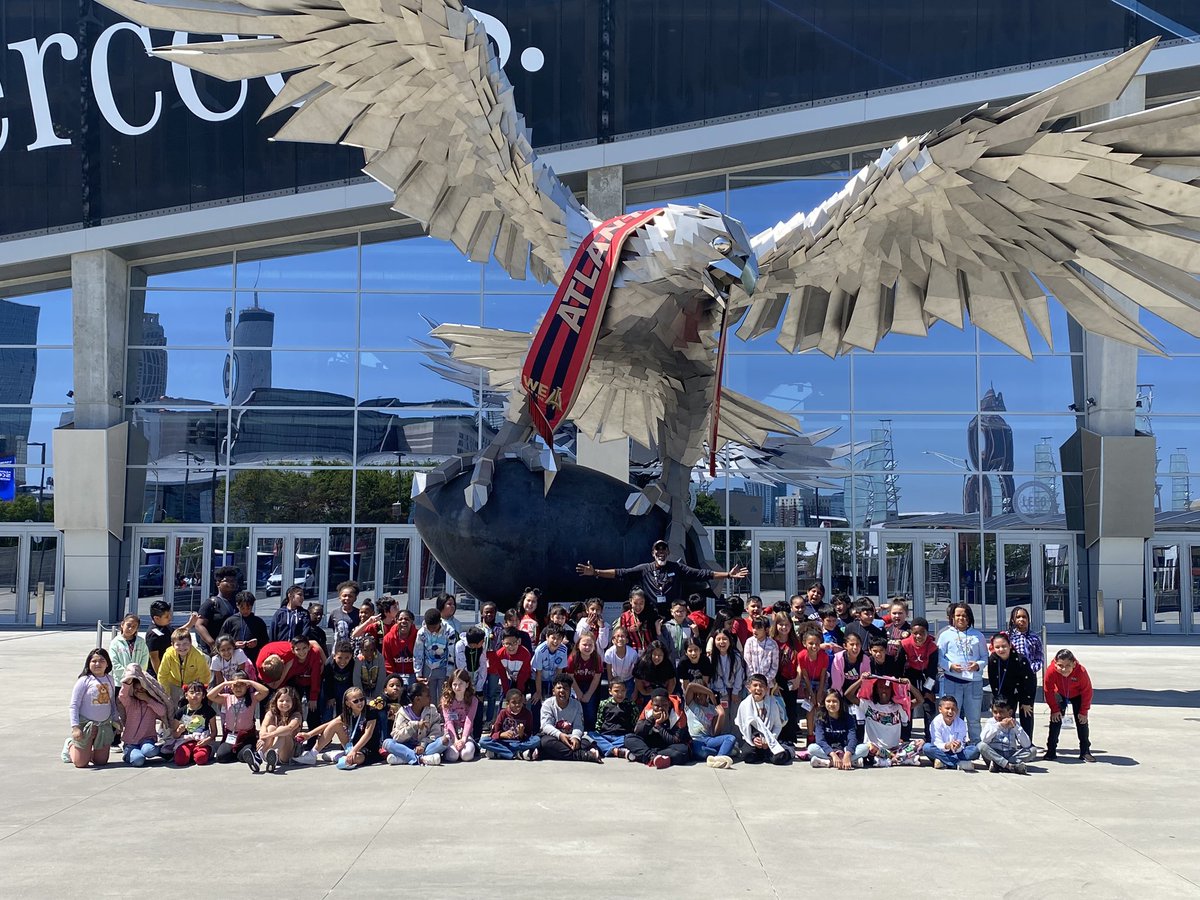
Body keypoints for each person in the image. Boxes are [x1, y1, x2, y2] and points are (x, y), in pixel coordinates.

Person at [576, 539, 748, 616]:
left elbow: (701, 573)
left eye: (663, 550)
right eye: (658, 550)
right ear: (653, 553)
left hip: (673, 614)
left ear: (668, 552)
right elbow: (621, 572)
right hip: (651, 614)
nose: (661, 553)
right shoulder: (645, 569)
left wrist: (728, 575)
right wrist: (596, 572)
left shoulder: (676, 567)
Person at [937, 602, 988, 742]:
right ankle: (953, 745)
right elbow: (938, 657)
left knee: (974, 719)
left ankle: (977, 747)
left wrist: (977, 665)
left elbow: (985, 657)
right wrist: (950, 666)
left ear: (969, 618)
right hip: (952, 681)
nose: (961, 618)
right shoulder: (945, 635)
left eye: (964, 615)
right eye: (958, 615)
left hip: (974, 683)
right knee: (952, 717)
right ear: (952, 617)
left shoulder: (978, 636)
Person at [296, 687, 379, 769]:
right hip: (351, 745)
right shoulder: (347, 714)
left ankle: (341, 756)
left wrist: (354, 750)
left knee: (355, 759)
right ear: (348, 703)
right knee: (335, 723)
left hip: (366, 748)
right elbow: (328, 724)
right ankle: (312, 754)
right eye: (355, 701)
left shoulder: (370, 711)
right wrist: (309, 734)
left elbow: (368, 734)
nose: (360, 703)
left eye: (362, 699)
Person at [855, 676, 922, 767]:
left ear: (892, 690)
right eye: (880, 687)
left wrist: (909, 684)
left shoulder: (899, 707)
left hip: (894, 749)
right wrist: (861, 680)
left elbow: (920, 700)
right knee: (868, 748)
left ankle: (889, 760)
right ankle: (900, 759)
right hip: (876, 749)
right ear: (876, 690)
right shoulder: (868, 705)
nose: (884, 690)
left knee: (919, 743)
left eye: (887, 688)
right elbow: (849, 695)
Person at [69, 648, 119, 769]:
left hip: (104, 726)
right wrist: (75, 727)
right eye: (94, 661)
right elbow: (74, 705)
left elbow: (112, 702)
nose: (97, 664)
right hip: (86, 726)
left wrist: (116, 719)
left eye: (101, 660)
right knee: (80, 763)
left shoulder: (110, 679)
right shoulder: (84, 681)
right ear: (88, 664)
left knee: (101, 762)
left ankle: (88, 753)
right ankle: (70, 746)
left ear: (107, 663)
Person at [257, 634, 325, 724]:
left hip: (299, 677)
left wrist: (325, 662)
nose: (301, 652)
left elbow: (313, 643)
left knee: (298, 703)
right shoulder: (260, 665)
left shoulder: (292, 654)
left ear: (283, 663)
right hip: (290, 677)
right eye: (298, 650)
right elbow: (274, 686)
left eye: (304, 649)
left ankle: (295, 727)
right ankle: (267, 726)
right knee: (270, 701)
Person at [1044, 649, 1095, 762]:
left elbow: (1087, 692)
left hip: (1078, 695)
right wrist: (1054, 708)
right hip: (1060, 693)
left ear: (1074, 664)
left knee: (1082, 721)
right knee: (1055, 720)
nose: (1063, 669)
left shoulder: (1081, 671)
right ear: (1055, 663)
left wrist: (1084, 711)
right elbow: (1048, 690)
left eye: (1068, 665)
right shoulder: (1051, 670)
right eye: (1060, 665)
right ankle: (1051, 751)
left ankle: (1085, 751)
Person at [538, 674, 602, 762]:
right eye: (559, 688)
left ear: (570, 691)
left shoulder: (577, 705)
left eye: (565, 688)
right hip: (555, 737)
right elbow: (545, 726)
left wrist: (575, 737)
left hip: (571, 737)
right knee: (545, 742)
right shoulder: (547, 704)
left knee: (586, 742)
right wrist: (560, 735)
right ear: (553, 691)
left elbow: (579, 726)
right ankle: (581, 755)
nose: (562, 691)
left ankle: (552, 753)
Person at [987, 631, 1037, 741]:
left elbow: (1029, 681)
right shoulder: (993, 660)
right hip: (1004, 691)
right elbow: (993, 680)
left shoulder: (1020, 659)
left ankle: (1027, 743)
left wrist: (1026, 701)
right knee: (1005, 715)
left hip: (1023, 690)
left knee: (1026, 713)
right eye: (998, 647)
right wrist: (997, 698)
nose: (1001, 649)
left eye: (1004, 646)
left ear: (1010, 645)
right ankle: (1007, 742)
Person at [382, 682, 446, 766]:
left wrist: (422, 745)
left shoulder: (431, 709)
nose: (430, 697)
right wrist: (414, 726)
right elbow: (397, 737)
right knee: (387, 743)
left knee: (445, 740)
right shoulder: (402, 712)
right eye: (427, 696)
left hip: (426, 746)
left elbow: (436, 731)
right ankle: (421, 759)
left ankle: (404, 758)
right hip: (406, 746)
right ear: (417, 699)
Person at [625, 688, 691, 769]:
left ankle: (642, 755)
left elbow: (675, 740)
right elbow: (638, 732)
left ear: (669, 703)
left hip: (670, 746)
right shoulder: (648, 710)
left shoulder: (679, 714)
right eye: (657, 706)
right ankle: (653, 757)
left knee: (682, 752)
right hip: (653, 743)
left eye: (664, 705)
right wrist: (652, 718)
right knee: (629, 738)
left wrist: (658, 726)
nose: (660, 709)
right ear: (652, 704)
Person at [208, 675, 268, 764]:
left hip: (246, 736)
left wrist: (250, 682)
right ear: (231, 686)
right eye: (235, 685)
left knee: (243, 756)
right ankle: (235, 752)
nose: (238, 688)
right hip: (231, 735)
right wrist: (224, 684)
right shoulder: (227, 698)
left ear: (247, 686)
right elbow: (210, 695)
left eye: (241, 685)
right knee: (221, 757)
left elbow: (265, 691)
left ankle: (244, 754)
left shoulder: (252, 697)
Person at [117, 663, 168, 767]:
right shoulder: (130, 702)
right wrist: (128, 681)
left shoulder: (151, 702)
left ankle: (162, 750)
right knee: (138, 760)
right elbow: (122, 696)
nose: (139, 691)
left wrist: (148, 699)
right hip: (131, 742)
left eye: (142, 689)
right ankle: (128, 755)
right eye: (136, 689)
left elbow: (162, 711)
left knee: (149, 751)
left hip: (147, 739)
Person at [734, 673, 790, 765]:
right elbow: (742, 726)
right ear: (749, 688)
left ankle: (787, 750)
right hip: (755, 740)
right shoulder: (744, 705)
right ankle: (762, 755)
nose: (758, 689)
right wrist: (752, 738)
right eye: (755, 685)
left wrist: (769, 740)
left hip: (770, 738)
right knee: (747, 756)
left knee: (779, 758)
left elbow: (777, 725)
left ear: (767, 689)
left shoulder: (773, 703)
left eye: (761, 686)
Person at [900, 617, 939, 741]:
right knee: (908, 706)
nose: (918, 636)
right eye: (915, 633)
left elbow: (933, 671)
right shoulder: (905, 644)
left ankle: (931, 739)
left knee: (929, 706)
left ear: (927, 633)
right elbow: (899, 665)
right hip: (910, 675)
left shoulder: (932, 647)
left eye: (922, 633)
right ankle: (905, 738)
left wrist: (927, 690)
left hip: (926, 676)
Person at [807, 690, 865, 769]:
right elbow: (820, 740)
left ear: (840, 703)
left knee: (865, 748)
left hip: (845, 749)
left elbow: (852, 738)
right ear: (824, 703)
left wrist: (847, 754)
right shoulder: (820, 719)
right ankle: (851, 762)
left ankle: (828, 762)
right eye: (828, 701)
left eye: (834, 701)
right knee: (812, 748)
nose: (831, 704)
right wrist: (833, 754)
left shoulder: (848, 718)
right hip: (828, 750)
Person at [249, 685, 302, 772]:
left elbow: (290, 728)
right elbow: (264, 726)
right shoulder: (271, 713)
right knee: (270, 727)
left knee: (282, 730)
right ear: (276, 702)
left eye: (288, 701)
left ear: (293, 702)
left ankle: (274, 754)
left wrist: (270, 734)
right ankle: (259, 757)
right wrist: (262, 738)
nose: (284, 703)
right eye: (281, 701)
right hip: (269, 749)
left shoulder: (296, 715)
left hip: (287, 753)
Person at [921, 695, 980, 771]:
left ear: (957, 710)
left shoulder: (961, 723)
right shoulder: (935, 723)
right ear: (940, 709)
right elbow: (936, 743)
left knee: (974, 751)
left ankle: (944, 762)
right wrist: (947, 745)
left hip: (956, 752)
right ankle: (958, 764)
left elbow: (962, 742)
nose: (950, 712)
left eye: (953, 709)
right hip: (941, 751)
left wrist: (958, 746)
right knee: (927, 748)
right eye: (947, 709)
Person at [979, 696, 1036, 774]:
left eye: (1001, 712)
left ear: (1010, 713)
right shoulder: (990, 722)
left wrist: (1015, 728)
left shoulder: (1015, 723)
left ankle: (1000, 765)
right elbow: (984, 740)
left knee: (1033, 750)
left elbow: (1027, 744)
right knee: (981, 746)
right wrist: (999, 725)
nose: (998, 715)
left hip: (1011, 754)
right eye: (995, 712)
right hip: (995, 753)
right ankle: (1009, 766)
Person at [684, 683, 735, 768]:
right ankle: (724, 753)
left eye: (701, 694)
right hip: (695, 740)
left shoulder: (712, 708)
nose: (698, 697)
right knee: (703, 751)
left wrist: (721, 715)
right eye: (696, 694)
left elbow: (715, 733)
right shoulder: (690, 704)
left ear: (706, 695)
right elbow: (690, 686)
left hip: (708, 739)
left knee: (731, 738)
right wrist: (710, 693)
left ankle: (718, 759)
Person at [157, 626, 211, 706]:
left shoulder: (198, 656)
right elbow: (162, 675)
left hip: (191, 685)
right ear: (172, 644)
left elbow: (205, 675)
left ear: (191, 642)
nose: (182, 647)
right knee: (173, 709)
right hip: (174, 684)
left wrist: (199, 691)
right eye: (178, 644)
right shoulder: (168, 655)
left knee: (192, 709)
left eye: (185, 644)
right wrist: (166, 693)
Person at [480, 689, 540, 760]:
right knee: (483, 741)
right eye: (514, 703)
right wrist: (502, 734)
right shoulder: (503, 713)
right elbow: (493, 734)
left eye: (519, 702)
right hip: (504, 742)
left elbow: (529, 734)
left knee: (537, 740)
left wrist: (521, 734)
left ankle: (501, 753)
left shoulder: (527, 713)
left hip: (519, 743)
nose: (517, 705)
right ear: (507, 703)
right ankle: (515, 754)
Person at [771, 612, 802, 745]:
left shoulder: (795, 642)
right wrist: (773, 682)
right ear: (776, 625)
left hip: (791, 679)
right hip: (776, 679)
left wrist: (798, 679)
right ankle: (777, 736)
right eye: (781, 624)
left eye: (787, 625)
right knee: (776, 709)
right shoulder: (772, 641)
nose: (784, 627)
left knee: (790, 709)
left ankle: (789, 738)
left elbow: (801, 662)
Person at [172, 680, 218, 766]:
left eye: (198, 693)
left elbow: (214, 732)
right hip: (185, 741)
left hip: (201, 740)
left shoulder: (209, 711)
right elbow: (174, 734)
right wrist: (179, 731)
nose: (194, 696)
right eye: (192, 692)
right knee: (180, 761)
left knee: (201, 759)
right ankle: (190, 754)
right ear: (186, 695)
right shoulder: (180, 712)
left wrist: (207, 740)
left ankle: (198, 753)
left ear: (203, 696)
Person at [453, 626, 490, 733]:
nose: (483, 642)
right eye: (481, 641)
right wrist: (468, 686)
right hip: (464, 682)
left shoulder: (481, 647)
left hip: (477, 682)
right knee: (464, 709)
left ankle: (477, 735)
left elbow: (483, 667)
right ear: (474, 643)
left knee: (478, 708)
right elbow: (462, 667)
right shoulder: (460, 646)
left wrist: (478, 688)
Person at [589, 678, 637, 759]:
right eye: (616, 691)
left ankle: (607, 749)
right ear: (610, 691)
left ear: (626, 691)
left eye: (623, 691)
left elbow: (634, 722)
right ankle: (616, 750)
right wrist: (599, 733)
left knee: (632, 739)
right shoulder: (604, 704)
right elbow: (599, 721)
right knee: (591, 735)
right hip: (606, 735)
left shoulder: (631, 705)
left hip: (622, 737)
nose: (620, 694)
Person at [795, 628, 829, 742]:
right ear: (804, 643)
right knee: (810, 706)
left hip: (821, 680)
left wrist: (819, 693)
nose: (814, 646)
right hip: (808, 680)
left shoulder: (824, 656)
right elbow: (804, 675)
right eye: (811, 643)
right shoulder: (801, 656)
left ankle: (820, 734)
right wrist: (811, 693)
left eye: (817, 644)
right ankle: (810, 735)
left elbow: (824, 675)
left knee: (819, 705)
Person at [196, 566, 240, 653]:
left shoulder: (238, 602)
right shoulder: (210, 603)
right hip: (215, 652)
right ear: (218, 583)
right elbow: (199, 625)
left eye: (233, 581)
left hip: (233, 650)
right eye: (227, 581)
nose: (231, 583)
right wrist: (212, 644)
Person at [439, 668, 479, 762]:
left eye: (461, 684)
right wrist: (455, 740)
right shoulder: (446, 700)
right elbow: (448, 721)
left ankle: (472, 747)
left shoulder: (473, 700)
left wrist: (464, 739)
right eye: (455, 684)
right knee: (453, 756)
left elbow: (469, 721)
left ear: (467, 684)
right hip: (451, 734)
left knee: (466, 755)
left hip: (466, 734)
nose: (457, 687)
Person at [147, 601, 196, 676]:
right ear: (156, 618)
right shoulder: (153, 634)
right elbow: (154, 658)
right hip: (158, 673)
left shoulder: (165, 626)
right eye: (166, 617)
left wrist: (190, 624)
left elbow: (177, 633)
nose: (170, 618)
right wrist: (161, 676)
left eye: (169, 615)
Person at [413, 607, 452, 700]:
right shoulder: (421, 633)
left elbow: (451, 654)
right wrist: (418, 674)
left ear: (440, 622)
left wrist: (449, 673)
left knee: (444, 697)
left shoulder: (449, 631)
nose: (432, 630)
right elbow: (418, 654)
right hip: (428, 669)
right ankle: (431, 714)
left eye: (434, 627)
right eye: (429, 628)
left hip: (443, 669)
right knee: (430, 697)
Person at [567, 633, 604, 730]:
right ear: (578, 645)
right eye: (584, 644)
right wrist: (578, 693)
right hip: (574, 684)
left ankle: (590, 732)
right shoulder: (573, 658)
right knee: (574, 709)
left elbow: (597, 678)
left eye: (590, 645)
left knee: (590, 712)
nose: (587, 647)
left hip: (590, 685)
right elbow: (570, 677)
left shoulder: (597, 658)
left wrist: (588, 694)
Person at [219, 591, 269, 656]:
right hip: (234, 657)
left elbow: (265, 641)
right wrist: (233, 644)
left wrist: (257, 643)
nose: (245, 611)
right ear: (237, 605)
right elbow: (221, 640)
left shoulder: (259, 622)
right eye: (242, 608)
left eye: (248, 608)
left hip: (253, 657)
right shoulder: (230, 621)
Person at [531, 625, 569, 706]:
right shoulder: (540, 650)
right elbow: (538, 672)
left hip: (552, 678)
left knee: (554, 703)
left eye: (559, 638)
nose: (555, 641)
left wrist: (556, 690)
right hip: (538, 679)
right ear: (547, 637)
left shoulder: (564, 649)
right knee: (537, 703)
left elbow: (559, 671)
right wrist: (538, 692)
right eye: (553, 638)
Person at [709, 628, 746, 708]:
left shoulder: (736, 657)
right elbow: (716, 676)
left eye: (724, 639)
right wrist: (723, 692)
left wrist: (735, 692)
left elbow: (739, 675)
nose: (722, 642)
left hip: (735, 689)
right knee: (723, 716)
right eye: (718, 639)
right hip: (719, 690)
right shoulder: (712, 658)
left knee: (734, 715)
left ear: (730, 641)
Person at [109, 614, 150, 685]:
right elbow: (114, 662)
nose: (130, 629)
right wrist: (127, 674)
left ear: (137, 628)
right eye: (128, 625)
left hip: (137, 681)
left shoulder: (141, 642)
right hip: (120, 682)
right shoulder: (115, 642)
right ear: (122, 624)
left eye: (134, 627)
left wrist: (136, 674)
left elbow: (144, 660)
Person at [1007, 606, 1045, 680]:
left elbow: (1040, 658)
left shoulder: (1035, 638)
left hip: (1029, 676)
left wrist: (1030, 669)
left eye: (1024, 617)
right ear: (1012, 620)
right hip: (1010, 675)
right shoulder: (1007, 637)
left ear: (1028, 620)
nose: (1021, 619)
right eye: (1018, 617)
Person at [383, 608, 418, 688]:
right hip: (396, 674)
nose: (403, 621)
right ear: (396, 621)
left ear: (412, 621)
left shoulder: (418, 636)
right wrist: (394, 677)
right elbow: (387, 661)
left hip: (413, 674)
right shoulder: (388, 638)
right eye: (400, 619)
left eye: (407, 619)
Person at [322, 641, 356, 721]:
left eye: (347, 658)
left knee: (343, 711)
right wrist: (331, 697)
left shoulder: (353, 664)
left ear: (351, 656)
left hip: (345, 689)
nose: (343, 662)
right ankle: (326, 728)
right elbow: (326, 681)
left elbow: (353, 681)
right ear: (334, 656)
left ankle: (343, 727)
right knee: (328, 710)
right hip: (332, 688)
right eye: (340, 658)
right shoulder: (329, 664)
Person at [495, 627, 533, 698]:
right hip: (508, 678)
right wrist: (507, 694)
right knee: (504, 699)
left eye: (514, 643)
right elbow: (502, 674)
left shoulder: (525, 654)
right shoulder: (499, 655)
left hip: (523, 679)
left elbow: (523, 674)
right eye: (507, 643)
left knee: (519, 700)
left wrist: (519, 693)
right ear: (503, 643)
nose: (511, 647)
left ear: (519, 641)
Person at [742, 615, 779, 686]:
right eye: (754, 628)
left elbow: (774, 666)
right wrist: (753, 680)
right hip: (752, 682)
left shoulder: (773, 644)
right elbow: (748, 662)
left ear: (766, 629)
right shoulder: (749, 642)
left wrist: (765, 680)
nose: (755, 631)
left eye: (759, 628)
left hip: (767, 683)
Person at [603, 625, 640, 696]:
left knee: (629, 702)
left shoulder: (633, 653)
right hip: (615, 680)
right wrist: (611, 686)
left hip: (629, 680)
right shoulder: (609, 653)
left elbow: (636, 673)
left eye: (622, 636)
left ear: (627, 640)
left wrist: (635, 691)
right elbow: (609, 672)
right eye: (617, 636)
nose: (620, 639)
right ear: (613, 640)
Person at [658, 599, 695, 667]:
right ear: (672, 612)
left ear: (686, 611)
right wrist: (659, 633)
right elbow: (664, 644)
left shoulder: (690, 625)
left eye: (682, 611)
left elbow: (695, 643)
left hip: (687, 660)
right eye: (677, 611)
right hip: (671, 660)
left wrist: (696, 633)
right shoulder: (667, 626)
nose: (679, 613)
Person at [326, 581, 361, 646]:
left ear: (355, 598)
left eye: (350, 596)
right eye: (344, 596)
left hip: (354, 648)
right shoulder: (334, 613)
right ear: (339, 597)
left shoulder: (359, 613)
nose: (347, 598)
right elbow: (333, 631)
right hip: (338, 650)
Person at [354, 633, 387, 699]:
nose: (369, 653)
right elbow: (356, 679)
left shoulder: (380, 658)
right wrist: (361, 696)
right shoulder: (359, 659)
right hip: (362, 689)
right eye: (366, 650)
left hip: (376, 689)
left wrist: (376, 696)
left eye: (372, 650)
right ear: (361, 650)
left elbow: (381, 678)